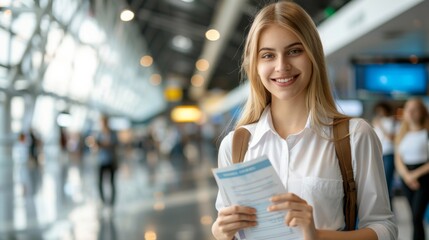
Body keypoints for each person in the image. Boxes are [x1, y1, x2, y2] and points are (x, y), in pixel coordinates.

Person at [211, 2, 397, 240]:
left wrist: (317, 236)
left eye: (294, 51)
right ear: (255, 66)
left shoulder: (353, 135)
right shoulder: (236, 145)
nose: (282, 66)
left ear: (313, 56)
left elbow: (385, 229)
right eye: (268, 55)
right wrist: (221, 231)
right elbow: (226, 227)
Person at [394, 98, 429, 240]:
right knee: (413, 217)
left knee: (416, 216)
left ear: (422, 112)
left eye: (414, 109)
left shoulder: (426, 133)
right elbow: (398, 158)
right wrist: (406, 176)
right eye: (408, 109)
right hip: (406, 177)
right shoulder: (402, 134)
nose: (410, 112)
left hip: (424, 177)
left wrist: (414, 175)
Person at [372, 101, 397, 202]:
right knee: (377, 180)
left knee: (387, 180)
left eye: (381, 110)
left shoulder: (392, 121)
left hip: (389, 154)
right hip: (377, 153)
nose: (380, 113)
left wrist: (381, 126)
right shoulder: (375, 122)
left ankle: (389, 204)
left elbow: (392, 138)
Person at [95, 115, 119, 207]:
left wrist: (105, 145)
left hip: (111, 160)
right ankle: (103, 200)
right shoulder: (99, 133)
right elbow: (98, 146)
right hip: (102, 160)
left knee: (112, 182)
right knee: (100, 182)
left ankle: (112, 201)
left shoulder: (112, 133)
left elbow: (114, 145)